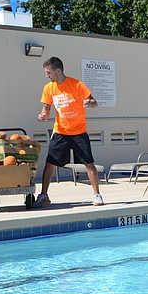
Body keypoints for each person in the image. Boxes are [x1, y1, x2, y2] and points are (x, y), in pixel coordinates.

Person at [33, 56, 104, 207]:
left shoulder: (77, 85)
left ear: (58, 71)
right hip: (60, 132)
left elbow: (94, 102)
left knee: (89, 164)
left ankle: (97, 195)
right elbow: (46, 108)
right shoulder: (48, 88)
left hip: (79, 131)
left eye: (48, 72)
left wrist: (90, 103)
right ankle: (44, 195)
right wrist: (43, 115)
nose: (47, 76)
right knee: (50, 163)